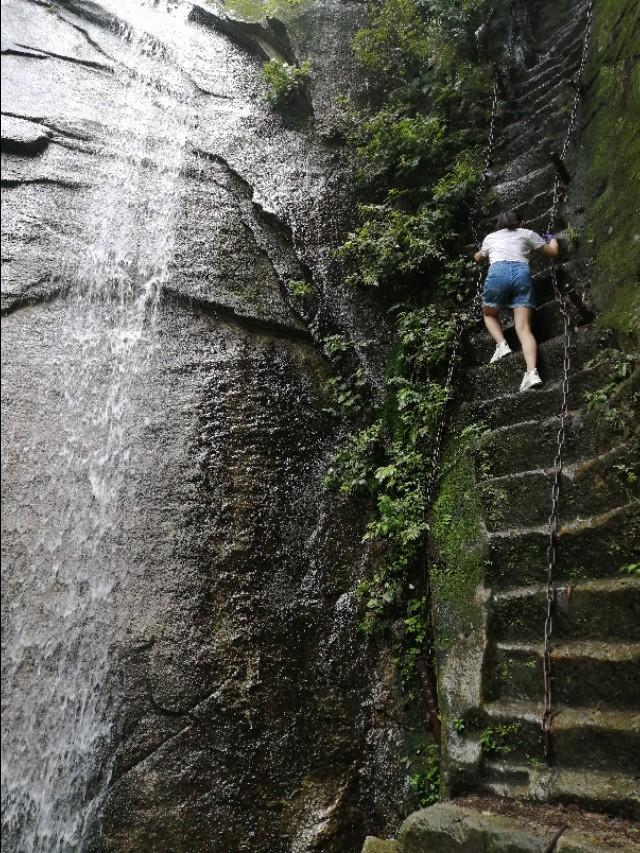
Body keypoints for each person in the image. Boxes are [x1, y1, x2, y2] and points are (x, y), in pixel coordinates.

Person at [474, 210, 559, 392]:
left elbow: (478, 257)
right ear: (520, 222)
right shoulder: (527, 233)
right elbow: (552, 252)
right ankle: (532, 372)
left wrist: (480, 255)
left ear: (498, 224)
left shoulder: (491, 237)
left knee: (489, 314)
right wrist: (552, 238)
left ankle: (502, 345)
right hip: (522, 274)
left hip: (498, 273)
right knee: (524, 328)